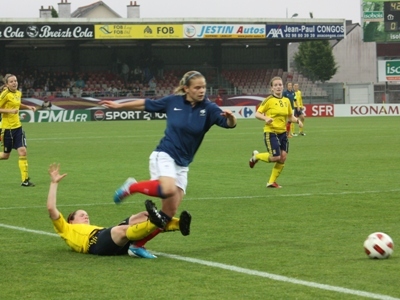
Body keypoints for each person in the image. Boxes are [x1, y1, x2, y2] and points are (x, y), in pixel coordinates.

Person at [100, 70, 236, 255]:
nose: (202, 90)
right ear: (186, 89)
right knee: (168, 189)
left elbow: (229, 124)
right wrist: (118, 106)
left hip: (183, 164)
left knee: (167, 214)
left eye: (203, 87)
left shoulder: (209, 108)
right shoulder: (173, 101)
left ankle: (137, 246)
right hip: (164, 154)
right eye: (197, 87)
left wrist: (230, 118)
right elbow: (146, 104)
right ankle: (132, 187)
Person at [47, 163, 192, 258]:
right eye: (82, 215)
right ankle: (157, 224)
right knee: (120, 230)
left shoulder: (94, 227)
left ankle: (179, 225)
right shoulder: (65, 229)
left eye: (86, 215)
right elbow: (51, 208)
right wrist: (54, 183)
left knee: (141, 216)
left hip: (108, 237)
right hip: (96, 244)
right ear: (71, 221)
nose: (86, 217)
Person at [249, 76, 303, 188]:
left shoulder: (286, 100)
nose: (278, 87)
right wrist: (265, 118)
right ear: (271, 88)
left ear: (283, 86)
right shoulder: (268, 100)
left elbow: (290, 117)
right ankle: (256, 156)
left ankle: (271, 182)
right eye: (276, 85)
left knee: (283, 157)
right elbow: (257, 114)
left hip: (283, 132)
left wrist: (297, 120)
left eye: (280, 84)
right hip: (271, 132)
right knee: (276, 157)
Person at [0, 74, 36, 186]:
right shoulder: (4, 95)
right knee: (6, 156)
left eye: (15, 81)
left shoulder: (18, 93)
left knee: (23, 151)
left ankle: (25, 181)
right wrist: (9, 111)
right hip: (6, 130)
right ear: (7, 84)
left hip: (18, 128)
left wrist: (28, 107)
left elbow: (17, 104)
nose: (14, 83)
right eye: (11, 81)